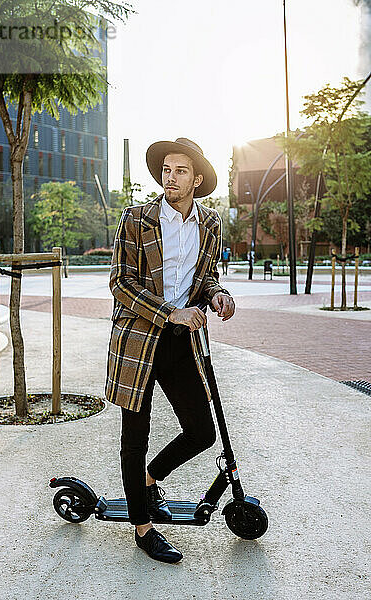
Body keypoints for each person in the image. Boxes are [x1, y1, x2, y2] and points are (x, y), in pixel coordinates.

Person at [105, 137, 235, 563]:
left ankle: (147, 479)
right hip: (138, 343)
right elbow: (121, 283)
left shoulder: (210, 224)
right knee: (134, 437)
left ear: (197, 179)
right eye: (166, 170)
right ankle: (143, 529)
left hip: (182, 345)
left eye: (180, 171)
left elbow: (207, 276)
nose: (170, 177)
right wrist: (171, 313)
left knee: (202, 431)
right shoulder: (136, 218)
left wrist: (217, 296)